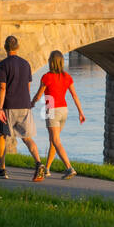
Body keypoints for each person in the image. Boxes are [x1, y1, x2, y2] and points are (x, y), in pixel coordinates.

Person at [0, 35, 44, 180]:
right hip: (24, 105)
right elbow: (28, 86)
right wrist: (26, 102)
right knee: (27, 138)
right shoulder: (26, 64)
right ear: (18, 47)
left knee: (2, 136)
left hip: (9, 106)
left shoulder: (3, 65)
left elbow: (2, 88)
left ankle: (2, 169)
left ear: (5, 47)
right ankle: (39, 163)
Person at [33, 49, 85, 179]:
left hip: (52, 110)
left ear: (51, 62)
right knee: (54, 141)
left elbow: (39, 95)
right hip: (64, 110)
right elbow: (74, 95)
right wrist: (80, 112)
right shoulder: (67, 77)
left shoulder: (46, 77)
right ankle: (48, 169)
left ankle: (69, 168)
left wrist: (31, 103)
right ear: (62, 62)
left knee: (55, 140)